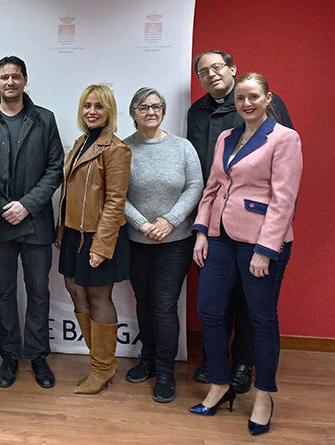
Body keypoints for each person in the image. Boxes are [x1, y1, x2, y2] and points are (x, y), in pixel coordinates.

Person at [188, 72, 302, 436]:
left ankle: (265, 395)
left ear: (268, 98)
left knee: (261, 319)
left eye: (253, 96)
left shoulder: (284, 138)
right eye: (240, 99)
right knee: (209, 309)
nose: (246, 104)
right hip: (221, 237)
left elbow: (284, 200)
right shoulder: (226, 136)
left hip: (261, 242)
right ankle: (220, 383)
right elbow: (213, 187)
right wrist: (202, 231)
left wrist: (266, 250)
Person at [0, 56, 63, 389]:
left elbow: (55, 169)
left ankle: (37, 356)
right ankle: (9, 356)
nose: (10, 82)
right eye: (4, 77)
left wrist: (28, 205)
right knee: (4, 292)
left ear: (25, 80)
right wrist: (6, 205)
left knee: (38, 291)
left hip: (35, 221)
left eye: (16, 77)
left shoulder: (45, 119)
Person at [122, 88, 203, 402]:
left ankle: (166, 371)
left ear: (164, 111)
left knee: (165, 305)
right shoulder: (124, 148)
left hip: (175, 241)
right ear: (133, 112)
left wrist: (170, 219)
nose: (150, 111)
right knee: (143, 301)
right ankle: (148, 359)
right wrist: (142, 223)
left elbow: (196, 185)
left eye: (156, 106)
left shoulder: (182, 147)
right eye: (143, 106)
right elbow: (117, 193)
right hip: (137, 240)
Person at [56, 84, 131, 394]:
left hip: (100, 234)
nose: (92, 111)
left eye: (99, 106)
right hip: (74, 232)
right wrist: (62, 230)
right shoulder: (80, 143)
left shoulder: (116, 148)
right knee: (74, 288)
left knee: (99, 297)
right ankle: (101, 362)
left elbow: (116, 201)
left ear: (109, 111)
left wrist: (101, 245)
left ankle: (101, 369)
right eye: (87, 105)